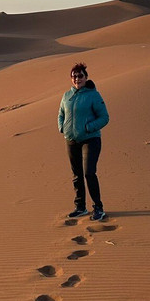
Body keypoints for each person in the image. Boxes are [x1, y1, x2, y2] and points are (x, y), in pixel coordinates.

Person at [57, 62, 110, 221]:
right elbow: (60, 113)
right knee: (76, 175)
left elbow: (104, 117)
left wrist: (89, 127)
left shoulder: (94, 95)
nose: (77, 79)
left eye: (80, 76)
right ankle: (80, 207)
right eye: (74, 76)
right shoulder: (67, 96)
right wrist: (62, 128)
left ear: (86, 77)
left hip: (90, 139)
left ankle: (98, 208)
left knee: (89, 173)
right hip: (71, 140)